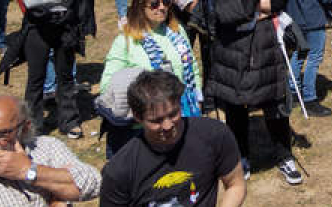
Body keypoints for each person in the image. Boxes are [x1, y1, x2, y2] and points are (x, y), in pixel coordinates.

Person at [206, 0, 302, 185]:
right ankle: (241, 158)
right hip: (235, 52)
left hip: (267, 49)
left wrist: (248, 7)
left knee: (276, 106)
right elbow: (225, 13)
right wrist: (258, 4)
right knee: (237, 109)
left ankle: (284, 157)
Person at [99, 70, 245, 207]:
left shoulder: (214, 134)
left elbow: (235, 184)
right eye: (157, 121)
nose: (168, 126)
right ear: (138, 117)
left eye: (173, 114)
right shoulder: (119, 170)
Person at [98, 0, 202, 158]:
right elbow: (107, 84)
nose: (162, 8)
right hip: (146, 124)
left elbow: (192, 68)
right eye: (154, 4)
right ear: (140, 8)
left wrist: (197, 98)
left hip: (181, 114)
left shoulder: (177, 32)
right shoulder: (125, 40)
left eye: (166, 2)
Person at [17, 0, 88, 139]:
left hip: (65, 24)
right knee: (36, 78)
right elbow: (29, 0)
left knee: (65, 76)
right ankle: (34, 124)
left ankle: (69, 121)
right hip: (39, 26)